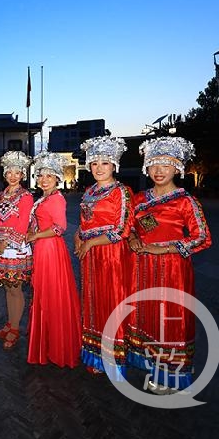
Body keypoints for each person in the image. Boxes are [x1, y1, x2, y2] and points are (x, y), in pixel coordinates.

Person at [128, 137, 212, 394]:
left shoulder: (185, 201)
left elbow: (202, 237)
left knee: (169, 318)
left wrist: (163, 248)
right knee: (148, 315)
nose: (159, 170)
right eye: (154, 165)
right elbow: (130, 226)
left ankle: (170, 374)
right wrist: (133, 238)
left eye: (166, 165)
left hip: (172, 269)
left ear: (177, 168)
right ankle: (151, 363)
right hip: (143, 267)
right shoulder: (139, 199)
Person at [74, 136, 133, 379]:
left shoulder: (121, 192)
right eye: (95, 163)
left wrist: (90, 241)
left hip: (112, 255)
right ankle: (95, 354)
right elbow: (84, 222)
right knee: (93, 301)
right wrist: (78, 235)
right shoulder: (89, 192)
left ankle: (113, 359)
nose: (99, 168)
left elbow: (122, 229)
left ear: (114, 165)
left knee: (112, 301)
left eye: (105, 163)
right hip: (90, 256)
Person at [25, 153, 81, 367]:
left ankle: (56, 346)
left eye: (49, 176)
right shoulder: (45, 198)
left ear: (57, 178)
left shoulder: (57, 199)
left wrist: (35, 236)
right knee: (43, 293)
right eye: (41, 175)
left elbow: (60, 228)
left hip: (50, 250)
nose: (44, 179)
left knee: (50, 295)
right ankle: (47, 343)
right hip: (43, 248)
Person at [0, 151, 34, 350]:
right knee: (7, 287)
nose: (13, 176)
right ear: (5, 174)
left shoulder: (26, 197)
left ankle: (15, 328)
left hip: (15, 248)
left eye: (17, 172)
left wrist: (5, 243)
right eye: (9, 172)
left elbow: (23, 224)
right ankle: (10, 323)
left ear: (22, 174)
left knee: (15, 288)